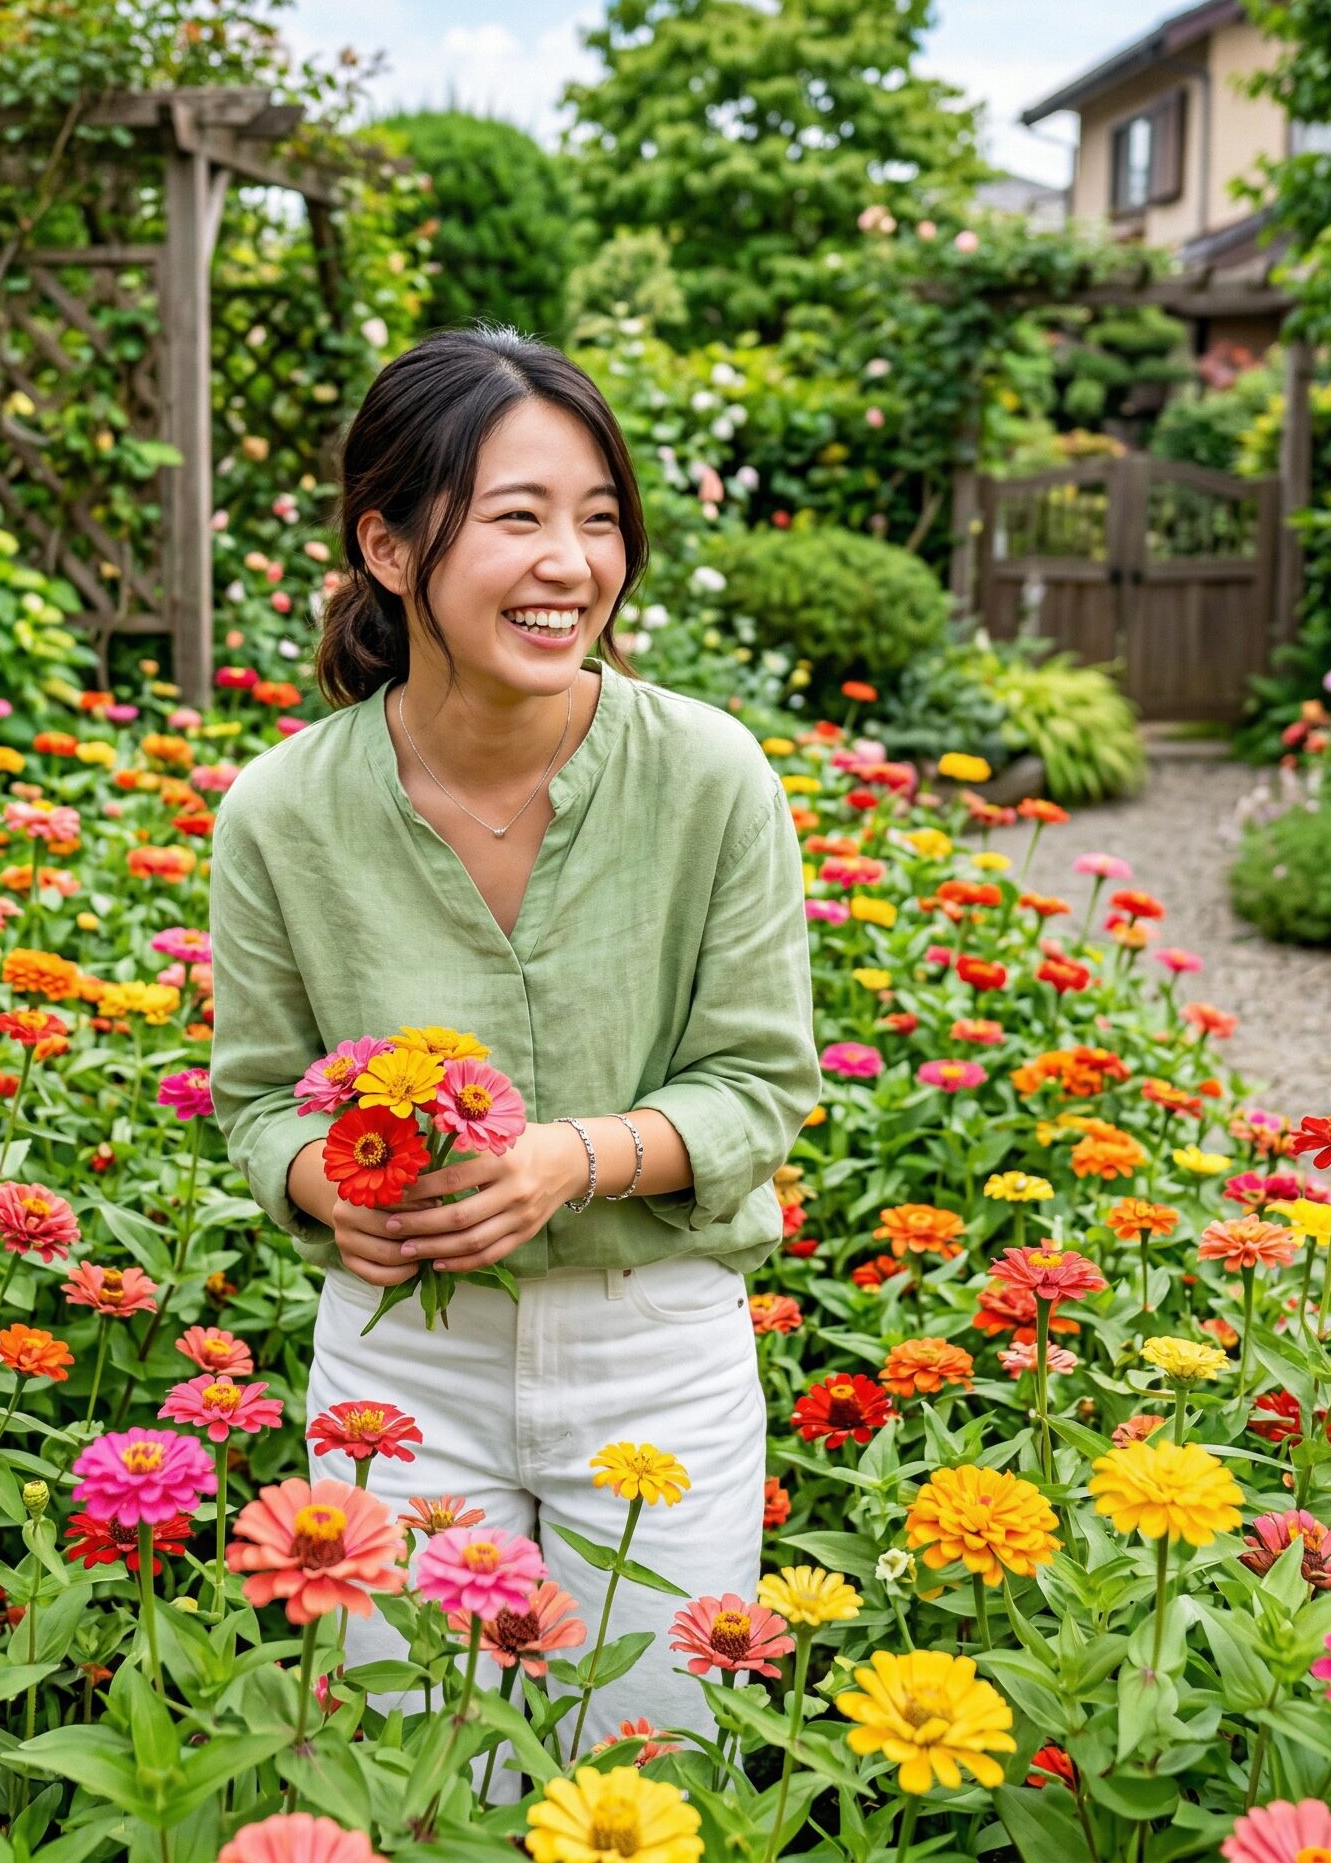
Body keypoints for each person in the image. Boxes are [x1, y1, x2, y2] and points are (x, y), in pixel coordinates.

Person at [208, 326, 819, 1746]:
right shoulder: (283, 813)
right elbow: (258, 1103)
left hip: (655, 1348)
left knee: (655, 1778)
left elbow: (759, 1084)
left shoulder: (709, 776)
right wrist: (327, 1187)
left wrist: (571, 1161)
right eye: (519, 517)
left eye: (599, 520)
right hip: (402, 1362)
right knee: (418, 1781)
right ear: (389, 547)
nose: (572, 564)